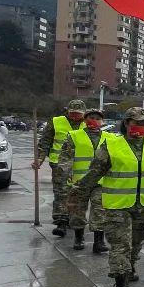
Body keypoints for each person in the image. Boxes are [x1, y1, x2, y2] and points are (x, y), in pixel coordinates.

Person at [69, 107, 144, 287]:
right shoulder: (111, 145)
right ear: (127, 123)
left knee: (137, 242)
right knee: (120, 244)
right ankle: (121, 284)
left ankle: (130, 267)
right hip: (117, 206)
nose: (141, 126)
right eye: (137, 122)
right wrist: (77, 193)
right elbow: (94, 173)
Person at [56, 107, 110, 254]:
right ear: (85, 120)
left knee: (100, 211)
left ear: (102, 121)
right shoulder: (74, 135)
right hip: (79, 182)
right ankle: (79, 238)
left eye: (98, 118)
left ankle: (99, 242)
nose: (95, 121)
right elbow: (65, 157)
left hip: (100, 182)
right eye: (91, 118)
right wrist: (64, 173)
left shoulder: (110, 137)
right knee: (77, 212)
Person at [33, 99, 86, 237]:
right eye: (72, 113)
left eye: (78, 114)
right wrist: (39, 158)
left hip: (82, 166)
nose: (75, 116)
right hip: (60, 165)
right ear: (67, 111)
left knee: (77, 195)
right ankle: (61, 222)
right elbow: (45, 142)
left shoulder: (88, 123)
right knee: (61, 193)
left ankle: (75, 220)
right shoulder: (56, 122)